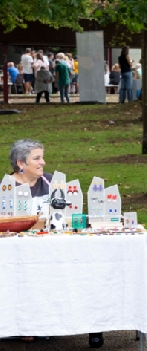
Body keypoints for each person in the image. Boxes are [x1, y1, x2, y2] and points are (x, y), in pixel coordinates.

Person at [9, 139, 105, 348]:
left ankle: (91, 324)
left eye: (42, 157)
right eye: (37, 158)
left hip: (53, 244)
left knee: (84, 265)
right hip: (22, 250)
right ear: (20, 163)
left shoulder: (51, 181)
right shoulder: (7, 187)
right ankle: (28, 324)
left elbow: (68, 211)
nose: (43, 162)